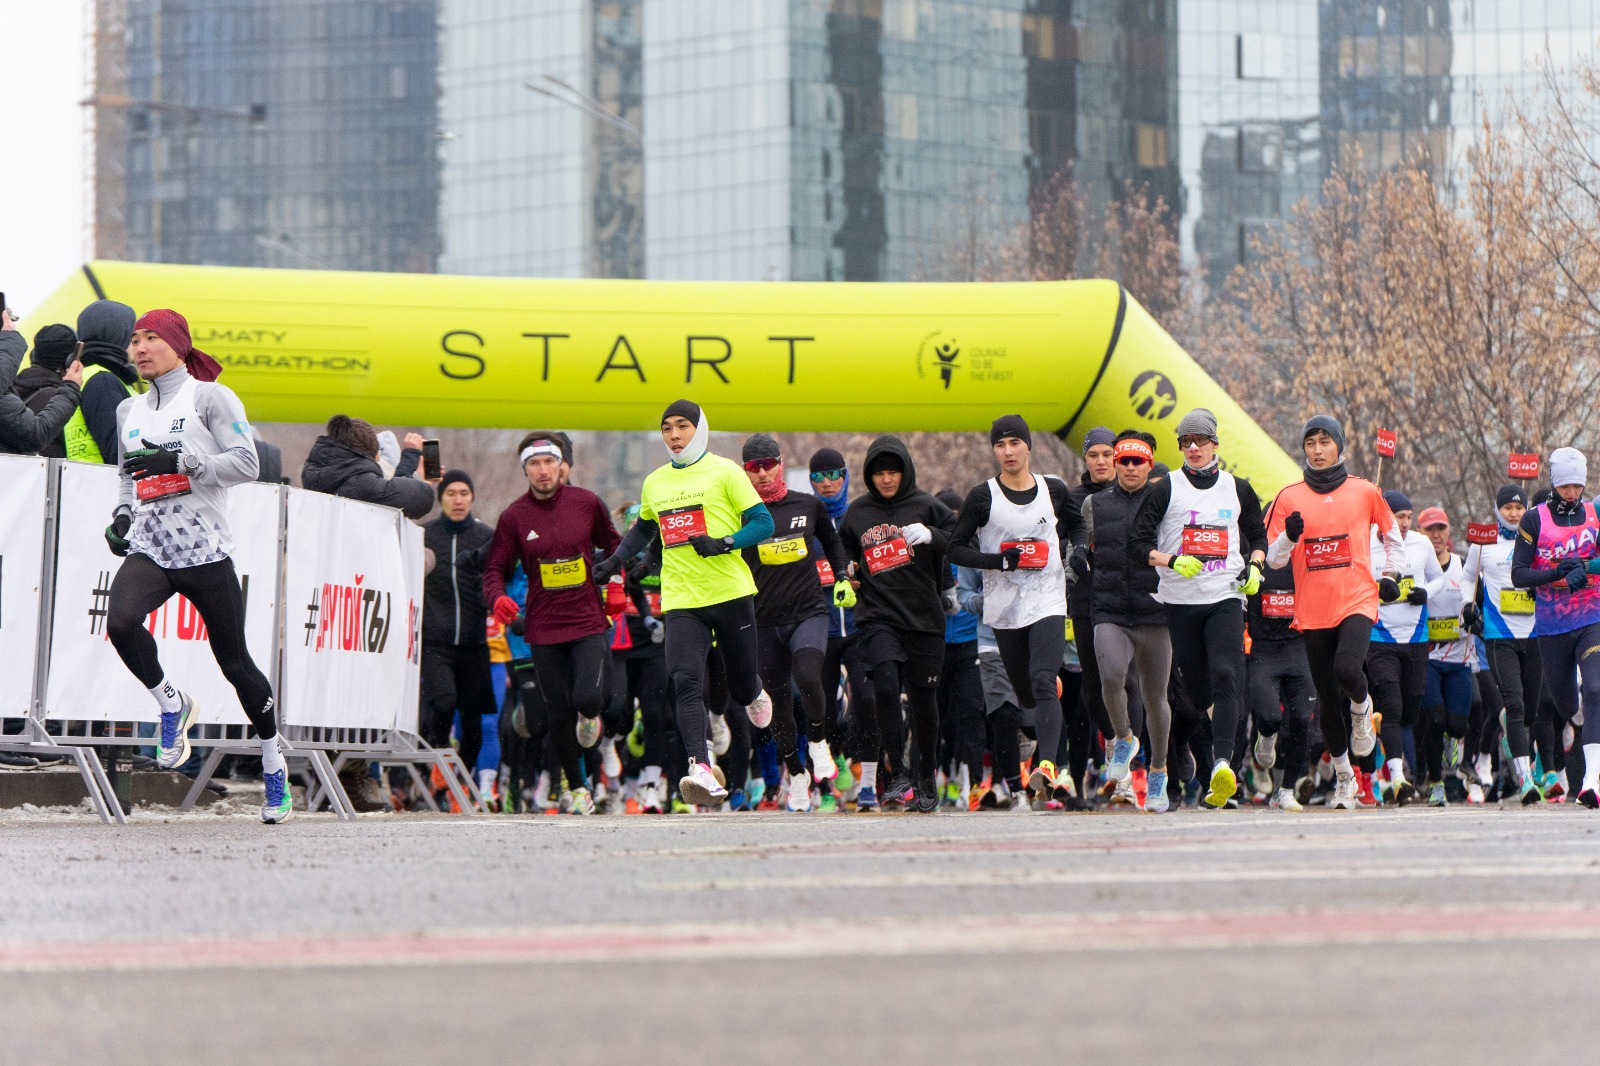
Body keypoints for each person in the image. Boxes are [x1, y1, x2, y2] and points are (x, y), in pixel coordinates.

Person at [101, 309, 288, 823]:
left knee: (236, 665)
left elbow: (247, 463)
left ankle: (273, 760)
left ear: (179, 346)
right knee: (120, 622)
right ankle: (171, 703)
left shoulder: (209, 397)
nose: (140, 348)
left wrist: (184, 462)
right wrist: (121, 517)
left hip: (205, 552)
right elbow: (127, 478)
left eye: (151, 338)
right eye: (135, 340)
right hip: (152, 547)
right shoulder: (128, 409)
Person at [594, 401, 775, 808]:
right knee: (685, 681)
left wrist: (724, 542)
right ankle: (701, 768)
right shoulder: (655, 482)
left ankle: (755, 691)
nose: (674, 436)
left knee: (742, 688)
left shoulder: (725, 471)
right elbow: (643, 530)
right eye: (667, 428)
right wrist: (615, 561)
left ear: (700, 429)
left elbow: (763, 523)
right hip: (682, 599)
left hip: (729, 593)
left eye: (682, 426)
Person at [1129, 407, 1268, 808]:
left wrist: (1255, 567)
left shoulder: (1237, 488)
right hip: (1180, 601)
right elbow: (1136, 544)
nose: (1192, 448)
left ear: (1214, 444)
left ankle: (1222, 766)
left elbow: (1258, 535)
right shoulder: (1165, 488)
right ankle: (1200, 744)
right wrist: (1171, 560)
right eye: (1185, 442)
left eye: (1200, 441)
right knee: (1197, 692)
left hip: (1225, 595)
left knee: (1226, 674)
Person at [1265, 415, 1405, 811]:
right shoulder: (1288, 497)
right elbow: (1274, 559)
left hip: (1357, 598)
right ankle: (1345, 778)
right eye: (1311, 443)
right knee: (1326, 699)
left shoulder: (1365, 490)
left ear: (1338, 446)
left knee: (1347, 669)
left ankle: (1362, 707)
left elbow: (1393, 538)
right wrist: (1289, 536)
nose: (1318, 450)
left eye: (1325, 442)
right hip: (1313, 608)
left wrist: (1391, 575)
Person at [485, 433, 621, 815]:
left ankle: (590, 717)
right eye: (534, 464)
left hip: (586, 619)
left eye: (549, 462)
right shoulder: (514, 517)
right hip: (543, 628)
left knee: (588, 699)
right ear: (525, 470)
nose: (543, 471)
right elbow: (494, 569)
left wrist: (616, 583)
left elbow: (614, 545)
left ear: (561, 465)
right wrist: (497, 598)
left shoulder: (586, 503)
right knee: (557, 714)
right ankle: (578, 788)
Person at [946, 415, 1073, 808]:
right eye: (1000, 445)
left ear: (1028, 446)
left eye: (1015, 443)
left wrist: (1079, 555)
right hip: (1004, 608)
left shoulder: (1053, 489)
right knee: (1028, 694)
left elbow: (1077, 527)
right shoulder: (982, 497)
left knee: (1042, 680)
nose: (1008, 451)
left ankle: (1048, 766)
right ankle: (1043, 702)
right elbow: (954, 549)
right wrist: (997, 562)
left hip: (1048, 600)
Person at [838, 434, 957, 812]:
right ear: (868, 476)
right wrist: (848, 569)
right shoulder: (857, 513)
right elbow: (843, 548)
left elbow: (962, 539)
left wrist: (932, 535)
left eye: (893, 472)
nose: (886, 480)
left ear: (905, 472)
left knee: (924, 703)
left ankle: (926, 772)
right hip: (878, 616)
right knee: (885, 688)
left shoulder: (928, 505)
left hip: (923, 618)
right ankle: (898, 772)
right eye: (879, 474)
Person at [738, 433, 854, 811]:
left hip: (808, 612)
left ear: (780, 464)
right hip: (764, 621)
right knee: (778, 704)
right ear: (744, 471)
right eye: (753, 468)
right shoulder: (740, 514)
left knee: (808, 677)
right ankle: (797, 772)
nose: (762, 473)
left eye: (768, 465)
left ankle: (819, 742)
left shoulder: (807, 504)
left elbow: (832, 542)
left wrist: (841, 575)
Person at [1071, 431, 1173, 812]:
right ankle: (1124, 738)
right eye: (1124, 461)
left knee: (1155, 697)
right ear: (1116, 465)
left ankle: (1158, 772)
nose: (1130, 467)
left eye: (1138, 461)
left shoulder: (1166, 501)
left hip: (1154, 610)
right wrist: (1074, 560)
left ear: (1149, 464)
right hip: (1109, 608)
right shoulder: (1095, 504)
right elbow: (1080, 542)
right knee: (1111, 677)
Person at [1510, 446, 1600, 808]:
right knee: (1566, 706)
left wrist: (1586, 567)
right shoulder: (1534, 520)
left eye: (1578, 486)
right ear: (1554, 483)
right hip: (1552, 626)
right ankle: (1577, 711)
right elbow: (1519, 574)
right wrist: (1556, 572)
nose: (1572, 493)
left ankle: (1591, 781)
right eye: (1566, 486)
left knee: (1596, 689)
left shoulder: (1595, 512)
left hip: (1592, 617)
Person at [1464, 485, 1546, 804]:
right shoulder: (1484, 543)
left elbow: (1549, 576)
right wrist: (1467, 606)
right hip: (1499, 635)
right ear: (1497, 510)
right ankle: (1525, 780)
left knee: (1530, 711)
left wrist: (1539, 588)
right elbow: (1467, 579)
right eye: (1507, 508)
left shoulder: (1537, 539)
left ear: (1526, 510)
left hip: (1534, 634)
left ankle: (1519, 762)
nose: (1513, 514)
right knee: (1514, 704)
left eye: (1518, 508)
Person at [420, 469, 497, 802]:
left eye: (464, 493)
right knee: (444, 701)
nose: (458, 500)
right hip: (435, 641)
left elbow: (498, 577)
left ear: (472, 497)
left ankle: (461, 781)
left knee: (473, 718)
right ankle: (440, 749)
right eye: (451, 493)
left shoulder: (486, 536)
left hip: (474, 641)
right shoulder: (424, 535)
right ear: (441, 499)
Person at [1364, 489, 1443, 804]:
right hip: (1379, 637)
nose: (1406, 523)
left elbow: (1438, 579)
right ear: (1384, 517)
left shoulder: (1421, 544)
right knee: (1393, 707)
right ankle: (1397, 778)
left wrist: (1426, 592)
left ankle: (1383, 734)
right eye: (1399, 517)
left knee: (1411, 706)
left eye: (1409, 517)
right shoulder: (1367, 543)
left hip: (1416, 638)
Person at [811, 447, 871, 805]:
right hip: (822, 629)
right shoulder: (807, 521)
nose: (827, 482)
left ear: (845, 477)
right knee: (823, 710)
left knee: (866, 698)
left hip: (859, 627)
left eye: (833, 474)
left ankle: (862, 767)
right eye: (818, 477)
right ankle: (827, 777)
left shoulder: (858, 517)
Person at [1063, 426, 1118, 794]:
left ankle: (1129, 761)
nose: (1100, 461)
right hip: (1084, 600)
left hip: (1123, 601)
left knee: (1124, 682)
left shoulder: (1131, 495)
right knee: (1091, 690)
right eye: (1093, 455)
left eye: (1107, 454)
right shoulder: (1073, 499)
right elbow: (1060, 544)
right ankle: (1110, 742)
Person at [1244, 545, 1315, 811]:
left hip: (1298, 649)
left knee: (1302, 719)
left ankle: (1286, 790)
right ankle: (1266, 736)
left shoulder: (1303, 562)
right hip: (1264, 650)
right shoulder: (1252, 563)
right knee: (1270, 717)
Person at [1416, 507, 1477, 806]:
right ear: (1420, 533)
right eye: (1429, 529)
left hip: (1458, 659)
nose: (1436, 535)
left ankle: (1454, 743)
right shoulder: (1415, 569)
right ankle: (1436, 780)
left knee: (1457, 725)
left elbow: (1480, 600)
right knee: (1435, 719)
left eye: (1440, 528)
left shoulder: (1463, 566)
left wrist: (1476, 616)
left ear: (1449, 531)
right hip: (1427, 660)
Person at [936, 487, 985, 809]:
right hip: (937, 644)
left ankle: (974, 781)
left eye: (957, 518)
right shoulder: (929, 550)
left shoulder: (973, 548)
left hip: (970, 641)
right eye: (946, 519)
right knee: (941, 717)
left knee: (971, 711)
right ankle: (939, 775)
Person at [301, 415, 437, 518]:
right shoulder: (360, 483)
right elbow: (419, 497)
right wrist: (412, 456)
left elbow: (390, 497)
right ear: (370, 452)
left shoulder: (319, 476)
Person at [0, 306, 83, 455]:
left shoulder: (13, 385)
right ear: (69, 360)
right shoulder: (51, 395)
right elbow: (36, 435)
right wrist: (71, 389)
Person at [72, 300, 143, 463]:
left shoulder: (84, 374)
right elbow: (118, 451)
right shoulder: (103, 381)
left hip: (81, 476)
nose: (138, 346)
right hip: (103, 479)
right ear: (119, 336)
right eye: (133, 337)